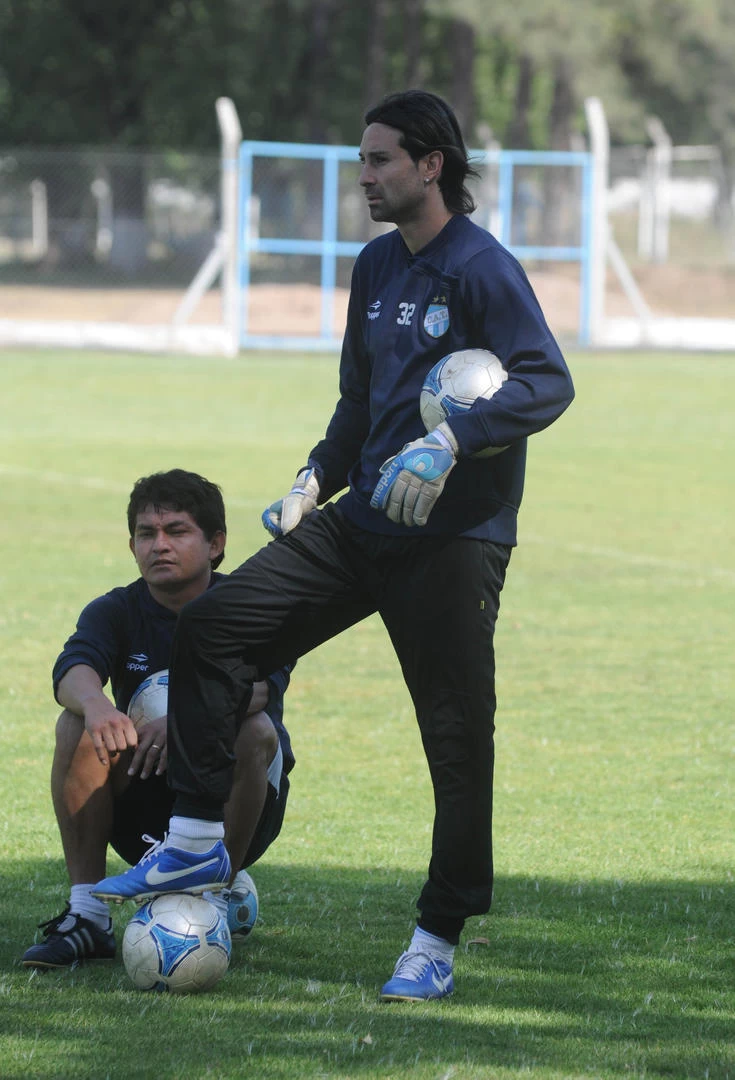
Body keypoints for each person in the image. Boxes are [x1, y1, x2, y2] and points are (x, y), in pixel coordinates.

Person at [93, 90, 574, 1002]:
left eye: (380, 160)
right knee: (217, 625)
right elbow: (361, 400)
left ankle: (436, 932)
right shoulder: (375, 265)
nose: (364, 176)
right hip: (360, 520)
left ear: (431, 166)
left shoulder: (482, 269)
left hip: (452, 540)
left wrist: (455, 440)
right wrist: (315, 475)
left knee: (455, 739)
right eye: (361, 160)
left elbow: (548, 382)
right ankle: (194, 848)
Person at [23, 469, 294, 969]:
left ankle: (213, 897)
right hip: (141, 797)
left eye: (176, 531)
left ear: (215, 544)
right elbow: (72, 672)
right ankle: (88, 917)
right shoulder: (116, 609)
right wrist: (100, 706)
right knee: (74, 722)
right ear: (132, 546)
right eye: (147, 534)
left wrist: (187, 723)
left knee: (256, 732)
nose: (159, 545)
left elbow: (261, 689)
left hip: (237, 806)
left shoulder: (251, 606)